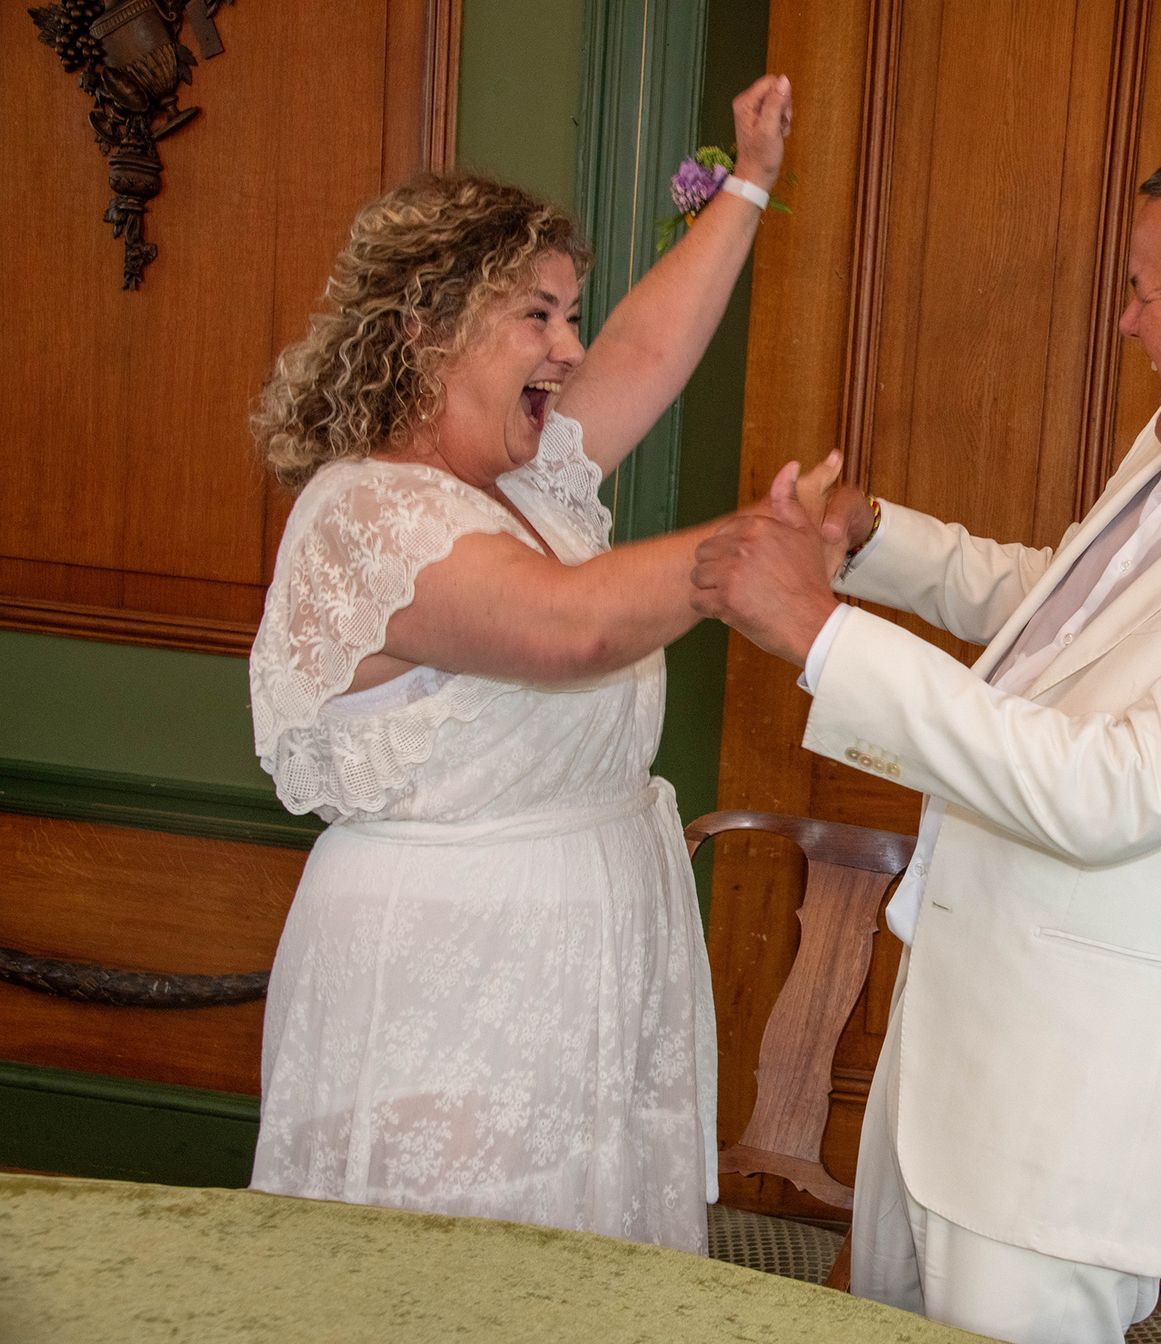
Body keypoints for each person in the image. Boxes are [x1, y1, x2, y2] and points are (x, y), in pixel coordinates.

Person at [689, 125, 1161, 1341]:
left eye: (1145, 292)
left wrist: (823, 637)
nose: (1128, 322)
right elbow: (1072, 614)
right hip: (946, 1054)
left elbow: (1116, 788)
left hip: (1070, 1121)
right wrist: (873, 542)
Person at [246, 76, 815, 1253]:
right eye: (538, 316)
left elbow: (647, 349)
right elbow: (568, 629)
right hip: (451, 981)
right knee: (455, 1280)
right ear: (427, 328)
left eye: (570, 314)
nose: (571, 347)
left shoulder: (528, 484)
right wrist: (745, 554)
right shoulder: (366, 514)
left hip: (585, 960)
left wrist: (750, 182)